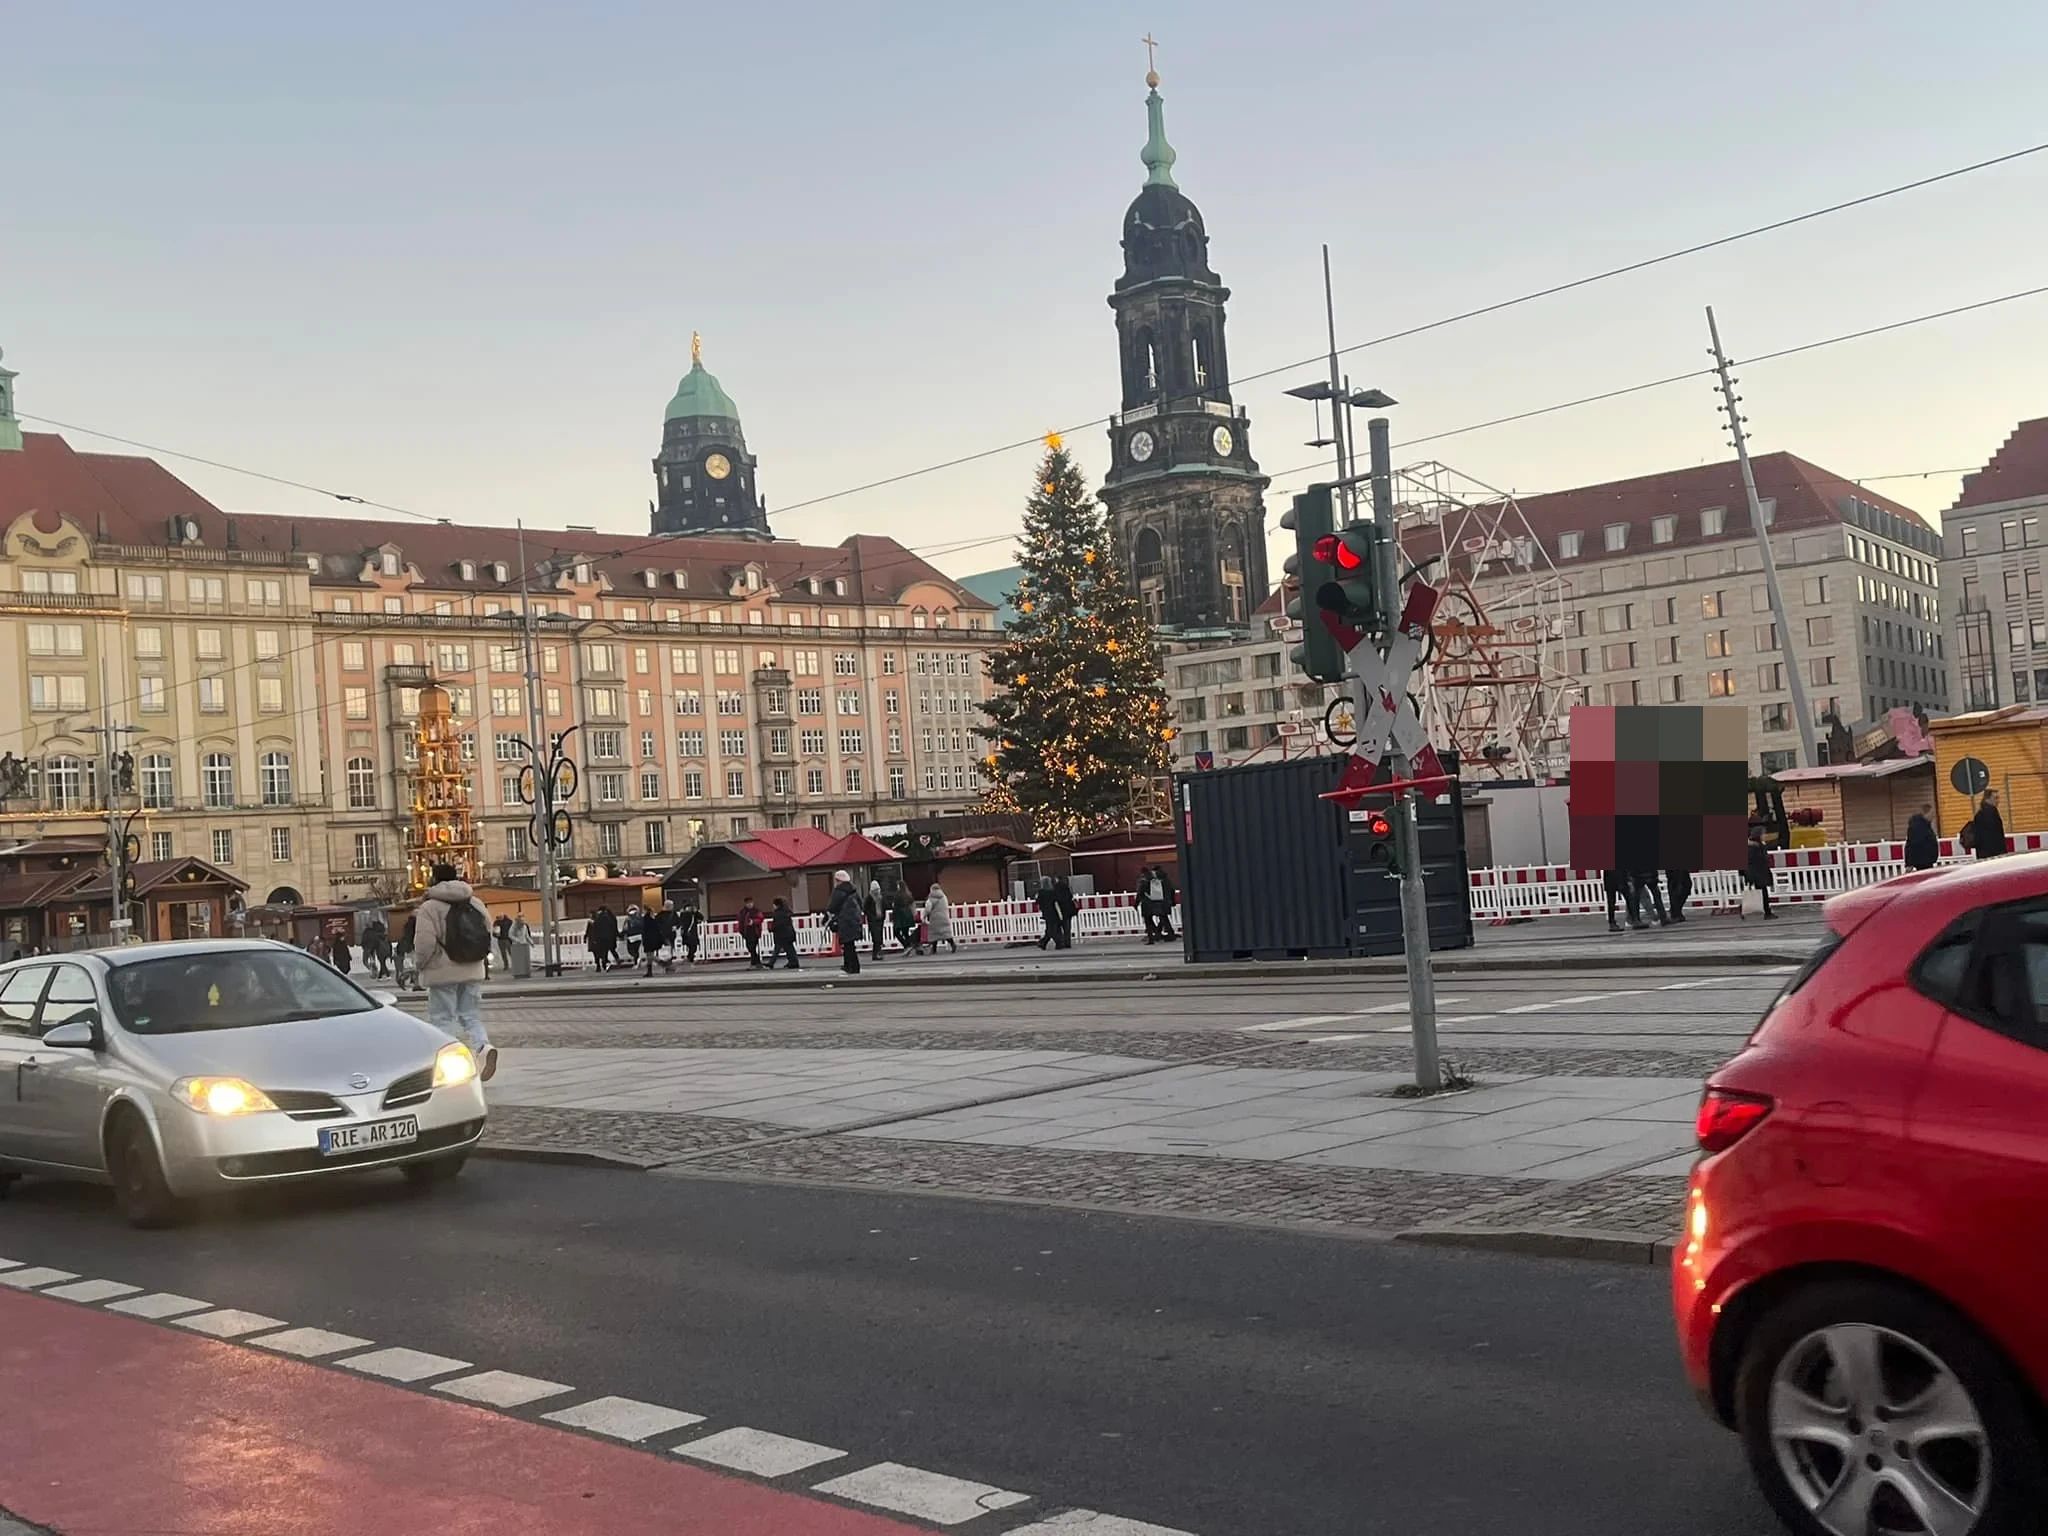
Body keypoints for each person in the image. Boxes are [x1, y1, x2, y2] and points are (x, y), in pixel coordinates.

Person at [412, 861, 498, 1080]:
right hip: (472, 968)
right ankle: (482, 1047)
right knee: (470, 1015)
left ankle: (447, 1065)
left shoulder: (429, 907)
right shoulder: (475, 902)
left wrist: (419, 965)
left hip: (442, 972)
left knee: (443, 1019)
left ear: (434, 879)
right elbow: (488, 930)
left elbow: (424, 942)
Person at [826, 870, 865, 975]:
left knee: (848, 945)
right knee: (850, 944)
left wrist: (827, 917)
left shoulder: (838, 891)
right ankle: (850, 966)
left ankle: (852, 967)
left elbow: (832, 907)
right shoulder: (854, 890)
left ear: (839, 880)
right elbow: (861, 904)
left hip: (844, 921)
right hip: (854, 920)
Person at [1743, 828, 1777, 920]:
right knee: (1763, 892)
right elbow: (1754, 861)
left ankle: (1766, 911)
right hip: (1758, 873)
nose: (1764, 836)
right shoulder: (1754, 847)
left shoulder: (1756, 846)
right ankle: (1767, 912)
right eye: (1763, 834)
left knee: (1760, 892)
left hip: (1758, 873)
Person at [1137, 866, 1177, 943]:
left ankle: (1154, 936)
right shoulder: (1165, 880)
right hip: (1165, 901)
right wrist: (1172, 901)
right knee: (1163, 918)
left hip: (1151, 903)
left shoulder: (1146, 880)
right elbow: (1172, 890)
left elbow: (1141, 892)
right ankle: (1164, 934)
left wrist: (1136, 903)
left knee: (1149, 920)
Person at [1971, 788, 2009, 860]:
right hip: (1994, 853)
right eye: (1995, 798)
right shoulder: (1991, 812)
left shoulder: (1980, 813)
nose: (1998, 801)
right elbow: (1995, 835)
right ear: (1987, 799)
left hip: (1983, 853)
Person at [923, 881, 958, 954]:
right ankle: (952, 944)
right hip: (944, 917)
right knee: (946, 933)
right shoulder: (944, 896)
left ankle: (934, 949)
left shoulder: (931, 898)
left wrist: (924, 916)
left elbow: (928, 909)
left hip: (935, 919)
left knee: (934, 934)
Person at [1904, 807, 1940, 871]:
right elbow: (1912, 845)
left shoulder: (1925, 825)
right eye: (1932, 814)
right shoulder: (1918, 826)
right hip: (1922, 861)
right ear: (1926, 814)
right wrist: (1909, 863)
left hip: (1926, 860)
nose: (1933, 816)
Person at [768, 897, 800, 970]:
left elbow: (777, 924)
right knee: (790, 949)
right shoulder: (786, 912)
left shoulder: (778, 913)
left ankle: (771, 963)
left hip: (781, 935)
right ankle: (793, 962)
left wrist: (771, 928)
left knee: (779, 949)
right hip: (788, 933)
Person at [736, 896, 765, 968]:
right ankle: (757, 963)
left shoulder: (756, 911)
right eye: (748, 903)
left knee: (752, 947)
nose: (750, 904)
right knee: (750, 948)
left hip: (755, 931)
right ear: (745, 904)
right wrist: (740, 930)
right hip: (746, 932)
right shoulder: (742, 912)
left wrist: (753, 922)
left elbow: (761, 918)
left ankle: (754, 963)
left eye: (751, 903)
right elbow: (740, 922)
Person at [891, 887, 921, 955]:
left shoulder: (897, 896)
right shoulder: (908, 895)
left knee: (896, 932)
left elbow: (894, 906)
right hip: (907, 916)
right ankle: (909, 945)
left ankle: (907, 945)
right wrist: (914, 914)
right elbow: (912, 905)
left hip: (899, 917)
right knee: (905, 933)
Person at [587, 905, 617, 971]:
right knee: (604, 952)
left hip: (600, 938)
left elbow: (596, 929)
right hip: (608, 937)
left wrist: (595, 938)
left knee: (599, 953)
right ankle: (605, 964)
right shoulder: (609, 917)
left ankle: (604, 964)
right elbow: (612, 927)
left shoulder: (598, 919)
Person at [1053, 875, 1078, 950]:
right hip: (1068, 910)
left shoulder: (1056, 887)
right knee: (1067, 928)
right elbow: (1070, 896)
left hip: (1060, 910)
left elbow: (1055, 898)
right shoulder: (1066, 887)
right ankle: (1068, 943)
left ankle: (1061, 942)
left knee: (1058, 927)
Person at [1035, 879, 1061, 950]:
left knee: (1049, 930)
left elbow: (1037, 902)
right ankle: (1056, 942)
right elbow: (1056, 900)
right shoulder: (1052, 892)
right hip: (1053, 912)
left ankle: (1044, 942)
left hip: (1046, 912)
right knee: (1051, 929)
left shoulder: (1041, 892)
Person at [863, 886, 887, 960]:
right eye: (875, 890)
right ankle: (876, 954)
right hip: (873, 920)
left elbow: (884, 906)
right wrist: (871, 916)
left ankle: (877, 953)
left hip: (880, 919)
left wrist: (883, 915)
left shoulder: (881, 898)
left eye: (877, 890)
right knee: (876, 938)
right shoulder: (869, 898)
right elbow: (865, 909)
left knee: (879, 937)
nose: (877, 891)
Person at [676, 898, 702, 964]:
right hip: (687, 932)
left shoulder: (694, 914)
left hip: (692, 932)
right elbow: (681, 922)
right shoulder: (684, 914)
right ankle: (690, 958)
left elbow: (701, 917)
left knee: (693, 946)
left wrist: (696, 912)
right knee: (691, 945)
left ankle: (690, 958)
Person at [1603, 870, 1627, 934]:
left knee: (1611, 903)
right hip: (1615, 880)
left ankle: (1612, 922)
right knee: (1612, 903)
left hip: (1612, 880)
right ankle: (1612, 922)